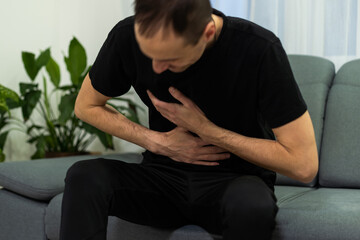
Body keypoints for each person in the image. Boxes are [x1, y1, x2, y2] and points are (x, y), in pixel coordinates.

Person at [60, 0, 318, 239]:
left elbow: (304, 165)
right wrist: (157, 142)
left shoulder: (259, 49)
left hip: (233, 182)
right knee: (84, 176)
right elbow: (86, 106)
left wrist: (208, 131)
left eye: (170, 59)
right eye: (150, 55)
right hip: (161, 179)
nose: (157, 68)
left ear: (206, 33)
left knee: (251, 206)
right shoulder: (126, 35)